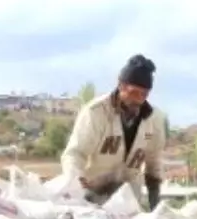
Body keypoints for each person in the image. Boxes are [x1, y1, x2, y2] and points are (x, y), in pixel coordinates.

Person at [61, 54, 166, 209]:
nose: (137, 99)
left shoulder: (154, 118)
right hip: (92, 197)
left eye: (143, 94)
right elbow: (75, 153)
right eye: (133, 92)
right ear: (121, 85)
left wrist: (155, 203)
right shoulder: (96, 112)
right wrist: (76, 182)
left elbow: (153, 162)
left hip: (129, 201)